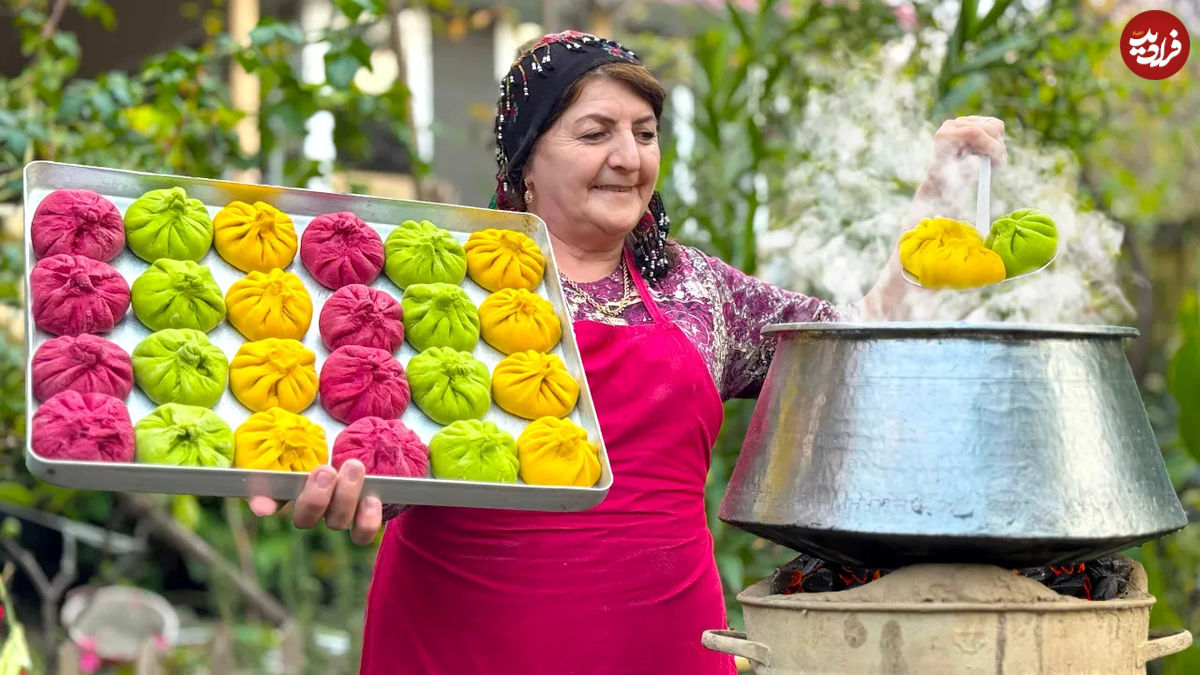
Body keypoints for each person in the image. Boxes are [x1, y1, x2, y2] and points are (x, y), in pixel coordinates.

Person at [249, 30, 1008, 674]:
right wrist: (331, 482)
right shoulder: (441, 279)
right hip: (464, 642)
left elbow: (856, 352)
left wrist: (941, 203)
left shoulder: (699, 289)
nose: (628, 157)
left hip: (665, 644)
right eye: (594, 133)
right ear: (525, 160)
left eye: (644, 133)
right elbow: (361, 436)